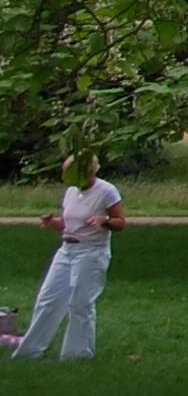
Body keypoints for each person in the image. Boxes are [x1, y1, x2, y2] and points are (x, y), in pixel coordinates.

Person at [13, 151, 124, 362]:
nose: (66, 178)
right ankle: (30, 351)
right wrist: (53, 222)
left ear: (86, 172)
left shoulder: (106, 191)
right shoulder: (71, 192)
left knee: (80, 303)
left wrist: (105, 220)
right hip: (67, 250)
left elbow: (120, 222)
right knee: (48, 298)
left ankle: (77, 354)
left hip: (91, 252)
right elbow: (69, 223)